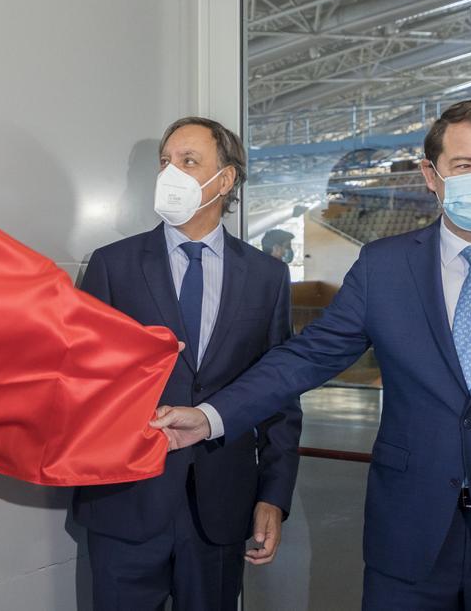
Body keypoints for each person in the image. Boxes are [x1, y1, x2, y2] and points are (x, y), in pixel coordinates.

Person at [150, 100, 471, 609]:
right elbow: (304, 358)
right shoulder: (385, 267)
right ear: (432, 174)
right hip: (410, 535)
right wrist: (209, 418)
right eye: (465, 165)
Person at [73, 117, 302, 611]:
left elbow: (279, 395)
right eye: (165, 162)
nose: (169, 173)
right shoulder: (114, 265)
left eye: (188, 161)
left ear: (226, 180)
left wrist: (274, 496)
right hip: (125, 504)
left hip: (220, 509)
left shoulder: (267, 276)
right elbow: (80, 379)